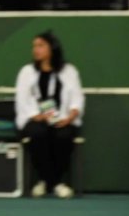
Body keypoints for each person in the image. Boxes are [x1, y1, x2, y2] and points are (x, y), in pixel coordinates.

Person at [15, 31, 84, 199]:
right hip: (36, 119)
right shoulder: (27, 72)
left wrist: (70, 117)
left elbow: (77, 98)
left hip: (62, 118)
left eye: (40, 46)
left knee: (64, 135)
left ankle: (49, 182)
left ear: (52, 48)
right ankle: (52, 182)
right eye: (34, 46)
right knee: (38, 133)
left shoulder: (69, 71)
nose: (36, 50)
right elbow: (21, 99)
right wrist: (36, 116)